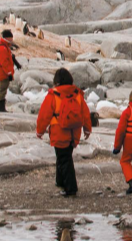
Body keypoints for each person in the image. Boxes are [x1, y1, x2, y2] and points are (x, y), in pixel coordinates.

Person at [36, 67, 92, 198]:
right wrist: (87, 128)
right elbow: (85, 113)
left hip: (59, 131)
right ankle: (61, 182)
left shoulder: (54, 95)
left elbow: (44, 115)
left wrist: (40, 130)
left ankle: (70, 188)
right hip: (74, 132)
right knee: (64, 157)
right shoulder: (77, 94)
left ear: (56, 81)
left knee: (63, 159)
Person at [0, 29, 15, 112]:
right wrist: (9, 73)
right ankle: (1, 109)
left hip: (2, 73)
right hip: (3, 74)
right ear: (7, 38)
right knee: (1, 91)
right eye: (11, 39)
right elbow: (4, 63)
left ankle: (2, 108)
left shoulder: (4, 47)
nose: (12, 41)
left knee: (2, 91)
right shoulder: (2, 48)